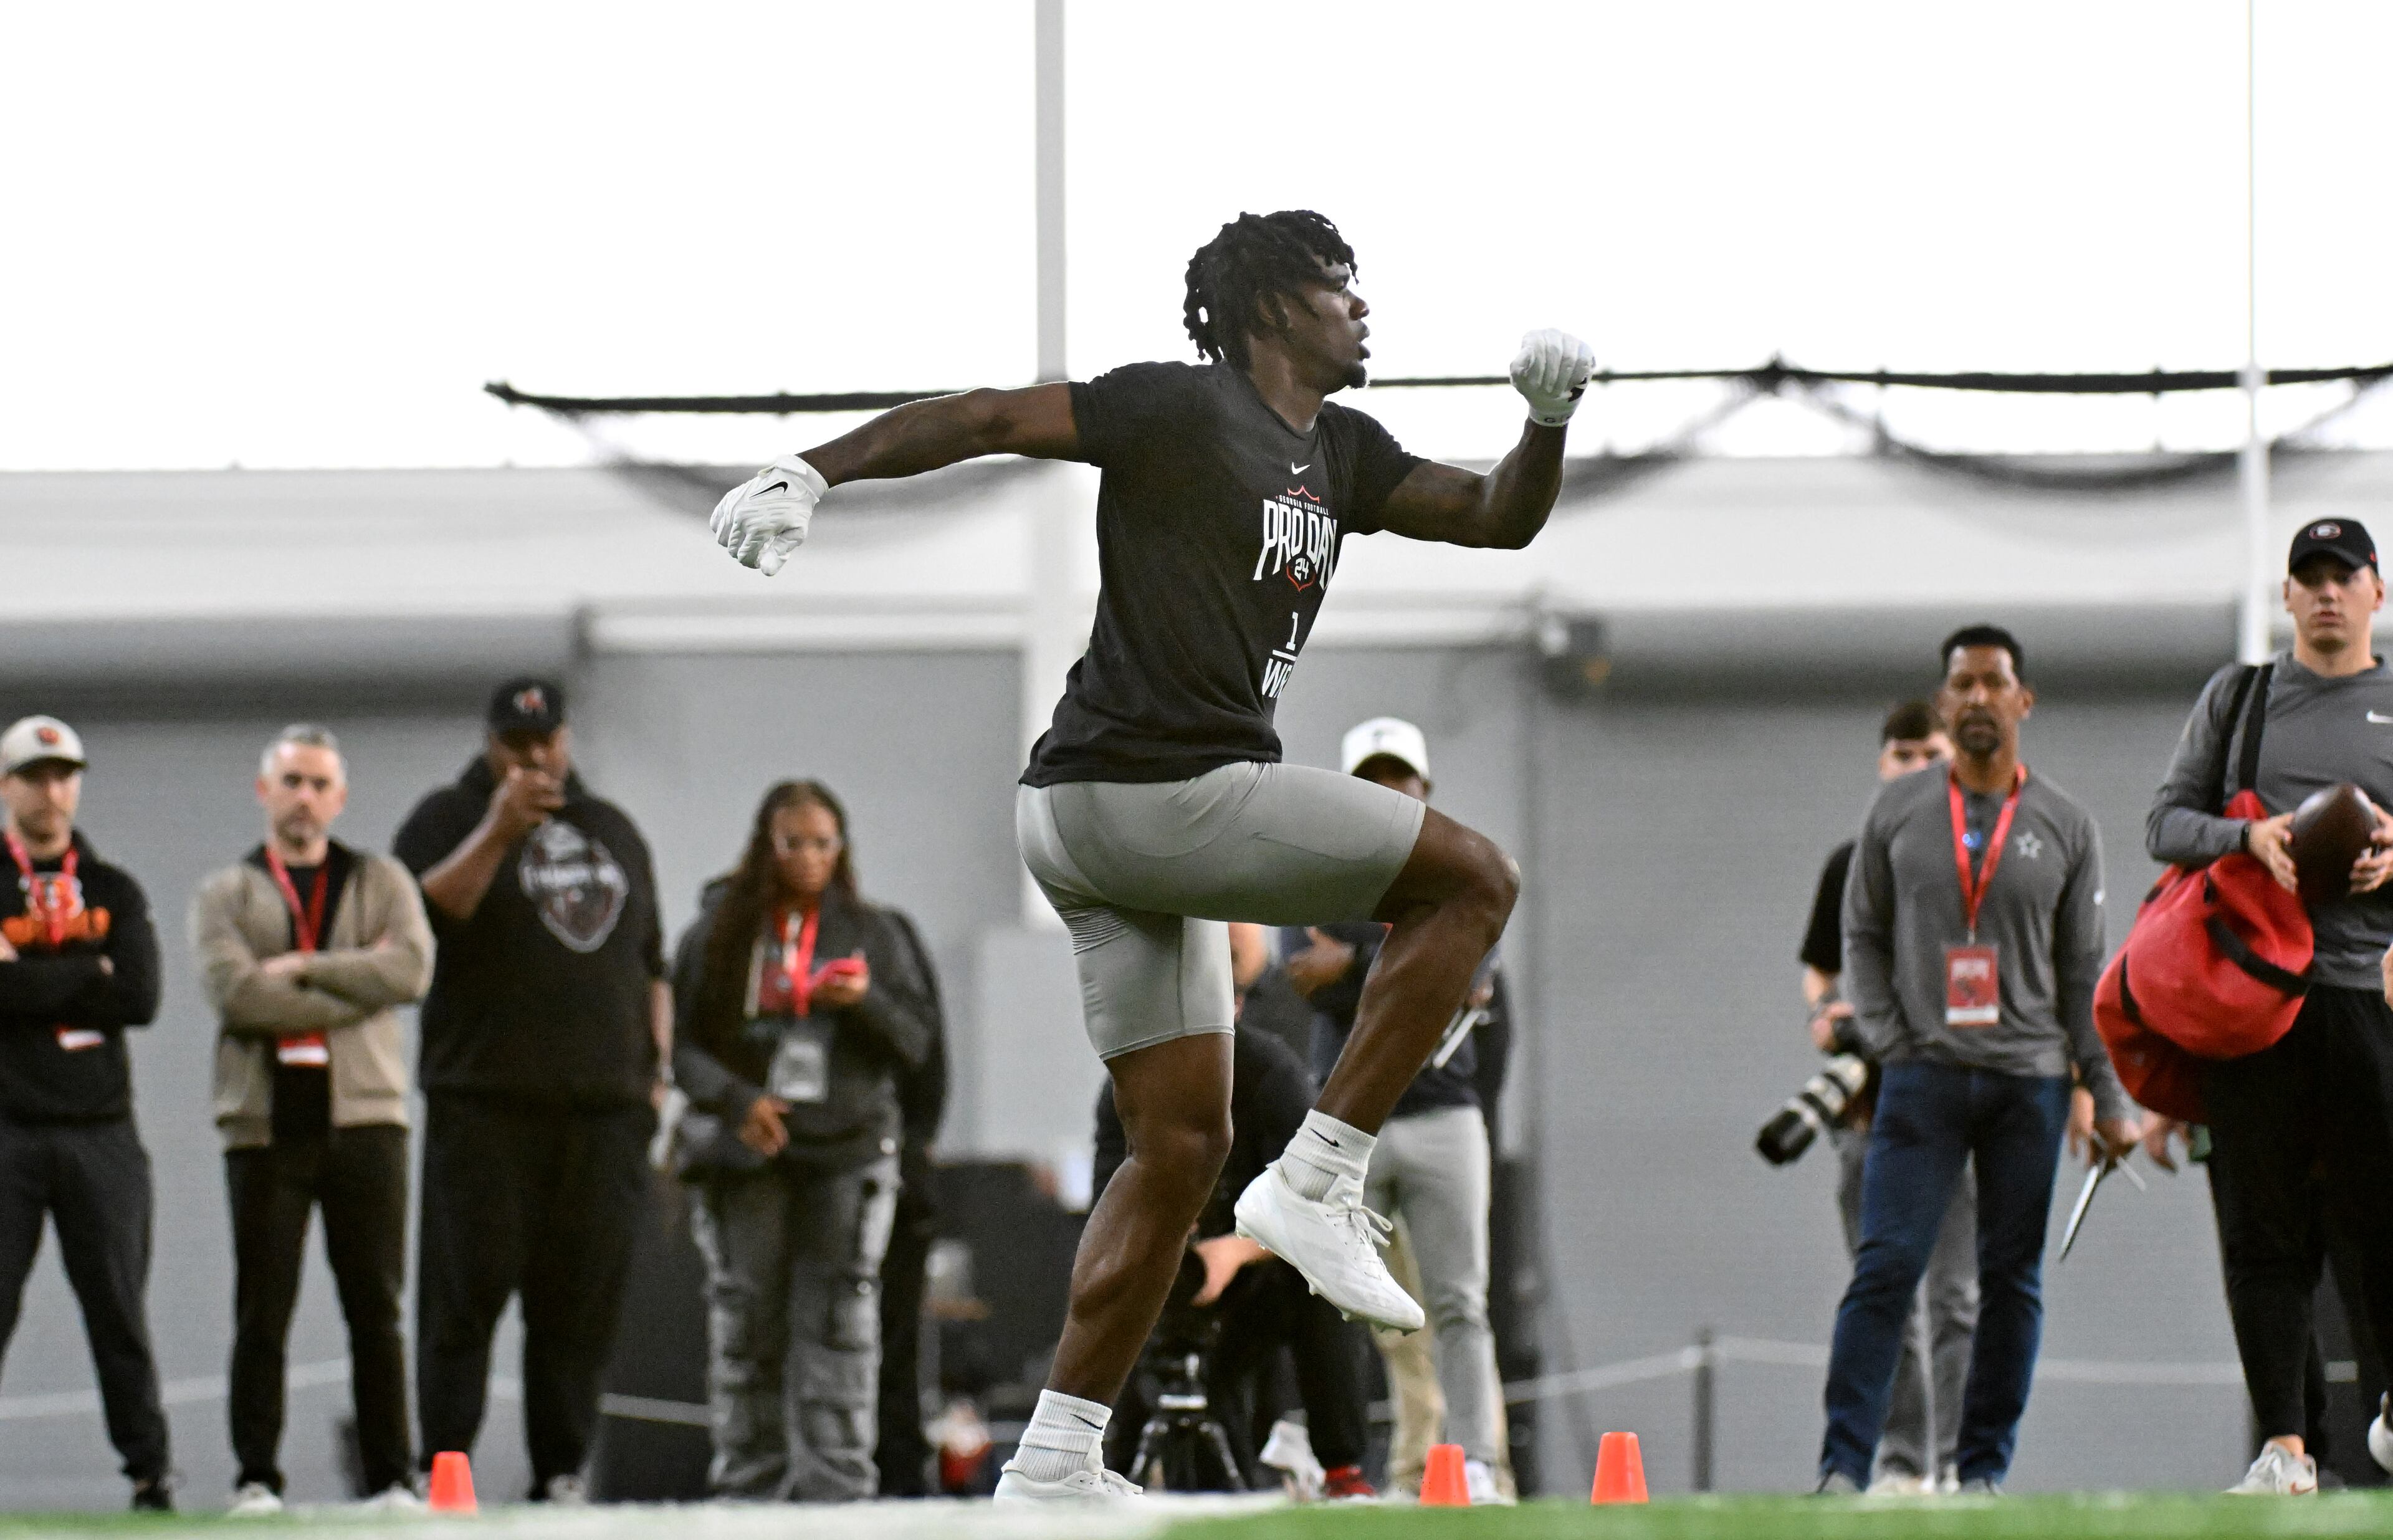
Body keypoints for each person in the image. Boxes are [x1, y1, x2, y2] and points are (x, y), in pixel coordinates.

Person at [709, 209, 1591, 1501]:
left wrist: (1548, 420)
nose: (1363, 308)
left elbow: (1495, 515)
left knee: (1179, 1146)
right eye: (1341, 286)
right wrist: (811, 469)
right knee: (1476, 878)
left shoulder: (1342, 450)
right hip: (1152, 794)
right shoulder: (1180, 406)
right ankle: (1320, 1177)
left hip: (1094, 823)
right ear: (1271, 304)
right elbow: (988, 417)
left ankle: (1057, 1456)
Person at [1816, 627, 2141, 1495]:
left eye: (1995, 682)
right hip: (1921, 1077)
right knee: (1886, 1267)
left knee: (2009, 1282)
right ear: (1944, 701)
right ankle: (1844, 1466)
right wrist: (1890, 1038)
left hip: (2029, 1082)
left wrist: (2106, 1093)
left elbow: (2085, 973)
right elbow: (1861, 934)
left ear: (2023, 700)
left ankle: (1981, 1468)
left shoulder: (2066, 823)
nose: (1978, 697)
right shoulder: (1895, 810)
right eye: (1962, 684)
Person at [2144, 517, 2393, 1495]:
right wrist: (2248, 840)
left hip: (2367, 998)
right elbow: (2166, 822)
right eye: (2310, 576)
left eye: (2346, 575)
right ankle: (2287, 1447)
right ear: (2287, 595)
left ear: (2377, 592)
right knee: (2262, 1230)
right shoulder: (2240, 696)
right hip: (2253, 1004)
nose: (2327, 591)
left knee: (2383, 1220)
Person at [393, 679, 669, 1503]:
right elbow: (417, 926)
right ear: (490, 745)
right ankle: (445, 1466)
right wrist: (497, 829)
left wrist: (654, 1074)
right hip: (485, 1103)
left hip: (604, 1109)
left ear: (566, 738)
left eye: (548, 740)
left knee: (578, 1303)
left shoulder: (612, 826)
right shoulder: (445, 816)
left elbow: (651, 962)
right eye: (518, 745)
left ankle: (560, 1472)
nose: (536, 758)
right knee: (463, 1294)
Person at [670, 780, 939, 1501]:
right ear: (767, 844)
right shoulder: (717, 933)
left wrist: (864, 1001)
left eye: (824, 843)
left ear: (841, 847)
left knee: (842, 1327)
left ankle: (839, 1492)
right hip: (750, 1151)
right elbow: (681, 1047)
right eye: (795, 842)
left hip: (849, 1152)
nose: (810, 857)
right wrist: (738, 1100)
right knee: (746, 1326)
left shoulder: (877, 932)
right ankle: (748, 1491)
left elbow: (917, 1042)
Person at [190, 726, 435, 1514]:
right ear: (265, 790)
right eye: (291, 780)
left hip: (366, 1119)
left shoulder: (381, 879)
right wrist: (356, 987)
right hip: (266, 1123)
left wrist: (303, 965)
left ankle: (392, 1476)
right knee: (263, 1308)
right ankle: (256, 1476)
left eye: (319, 783)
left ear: (341, 797)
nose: (305, 797)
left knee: (377, 1307)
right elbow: (237, 994)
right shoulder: (227, 892)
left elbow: (411, 969)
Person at [1289, 717, 1514, 1504]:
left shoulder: (1464, 869)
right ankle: (1361, 1467)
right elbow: (1304, 973)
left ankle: (1478, 1462)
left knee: (1460, 1302)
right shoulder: (1322, 877)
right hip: (1353, 1123)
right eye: (1372, 781)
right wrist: (1411, 961)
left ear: (1425, 789)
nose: (1388, 794)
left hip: (1445, 1117)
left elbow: (1466, 978)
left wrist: (1354, 960)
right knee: (1348, 1309)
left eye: (1400, 780)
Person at [1800, 700, 1978, 1495]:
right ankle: (1904, 1461)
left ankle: (1961, 1461)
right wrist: (1829, 1014)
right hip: (1868, 1111)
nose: (1915, 766)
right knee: (1884, 1291)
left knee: (1958, 1297)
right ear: (1884, 763)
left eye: (1929, 752)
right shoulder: (1850, 863)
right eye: (1902, 754)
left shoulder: (1976, 864)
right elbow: (1818, 967)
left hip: (1956, 1103)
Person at [0, 715, 173, 1511]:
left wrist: (28, 974)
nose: (52, 790)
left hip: (101, 1130)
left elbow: (139, 995)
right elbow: (104, 984)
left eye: (64, 774)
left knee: (119, 1311)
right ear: (7, 786)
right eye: (35, 775)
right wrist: (85, 970)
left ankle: (150, 1475)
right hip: (9, 1129)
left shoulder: (114, 888)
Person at [1092, 1018, 1375, 1498]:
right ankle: (1099, 1459)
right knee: (1103, 1293)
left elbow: (1316, 1205)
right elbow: (1103, 1208)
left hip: (1263, 1267)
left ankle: (1342, 1466)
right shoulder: (1128, 1081)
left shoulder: (1272, 1074)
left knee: (1326, 1281)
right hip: (1165, 1272)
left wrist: (1237, 1250)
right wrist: (1158, 1232)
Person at [875, 909, 948, 1499]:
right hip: (892, 1165)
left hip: (892, 1173)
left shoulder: (888, 937)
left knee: (892, 1346)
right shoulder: (893, 936)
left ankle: (898, 1480)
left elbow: (927, 1058)